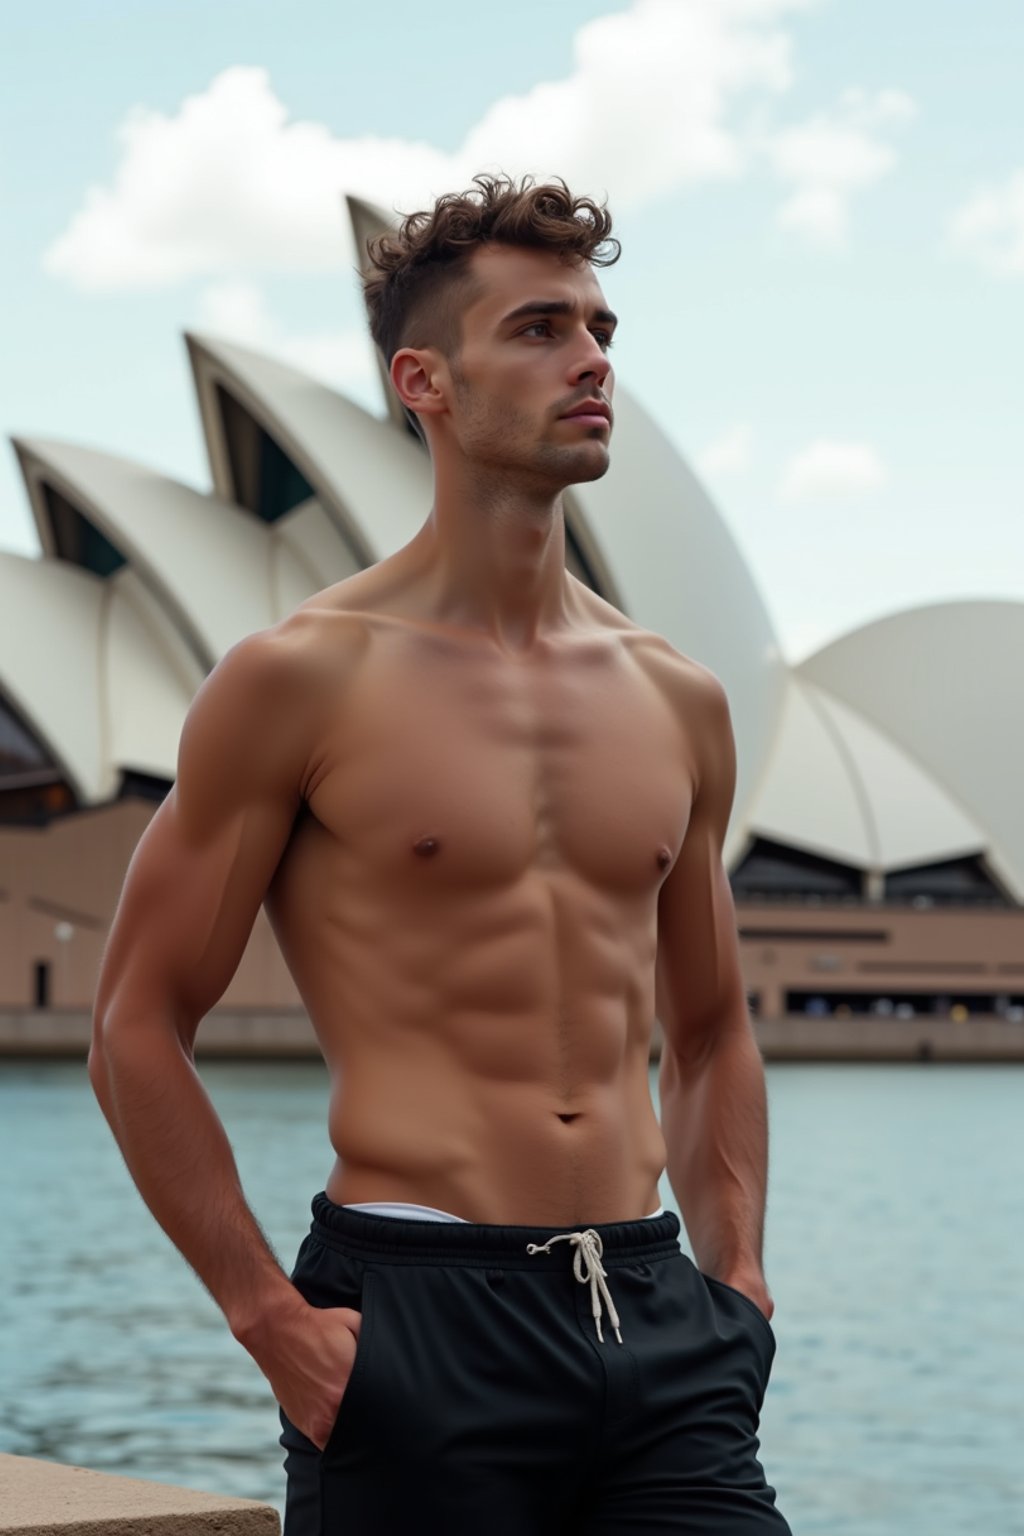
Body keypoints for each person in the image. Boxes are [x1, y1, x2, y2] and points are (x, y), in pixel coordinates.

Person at [89, 173, 792, 1534]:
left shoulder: (677, 697)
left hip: (661, 1327)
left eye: (599, 327)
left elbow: (709, 1034)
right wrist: (270, 1322)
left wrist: (741, 1288)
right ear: (426, 381)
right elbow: (134, 1020)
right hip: (413, 1324)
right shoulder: (300, 680)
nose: (591, 359)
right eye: (538, 329)